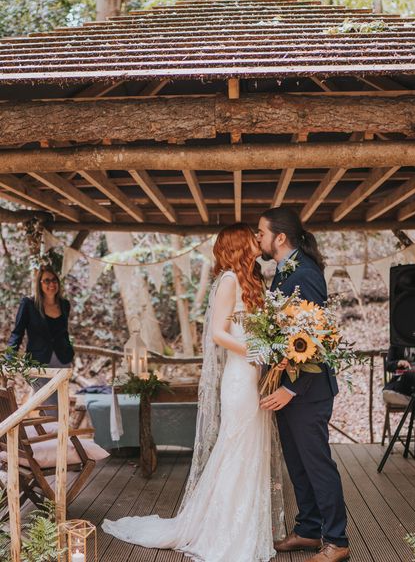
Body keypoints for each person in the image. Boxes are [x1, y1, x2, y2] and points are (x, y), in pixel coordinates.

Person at [102, 223, 286, 562]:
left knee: (249, 451)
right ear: (237, 245)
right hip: (239, 378)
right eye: (251, 237)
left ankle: (245, 525)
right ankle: (224, 531)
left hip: (253, 377)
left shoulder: (253, 281)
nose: (257, 240)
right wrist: (256, 350)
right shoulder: (229, 280)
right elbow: (218, 333)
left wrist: (267, 349)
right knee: (236, 450)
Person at [257, 207, 350, 562]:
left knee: (317, 464)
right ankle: (309, 530)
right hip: (287, 389)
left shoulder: (305, 274)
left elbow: (317, 338)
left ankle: (337, 540)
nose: (258, 239)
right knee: (297, 464)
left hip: (307, 392)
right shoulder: (282, 273)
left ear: (280, 237)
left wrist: (291, 389)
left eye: (261, 233)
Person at [7, 265, 74, 412]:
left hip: (62, 360)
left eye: (54, 280)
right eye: (46, 281)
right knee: (46, 402)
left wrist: (70, 351)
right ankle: (52, 432)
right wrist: (9, 358)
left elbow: (63, 332)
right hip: (38, 361)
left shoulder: (64, 305)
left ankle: (56, 432)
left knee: (60, 401)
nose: (51, 284)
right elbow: (17, 333)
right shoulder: (29, 304)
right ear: (39, 284)